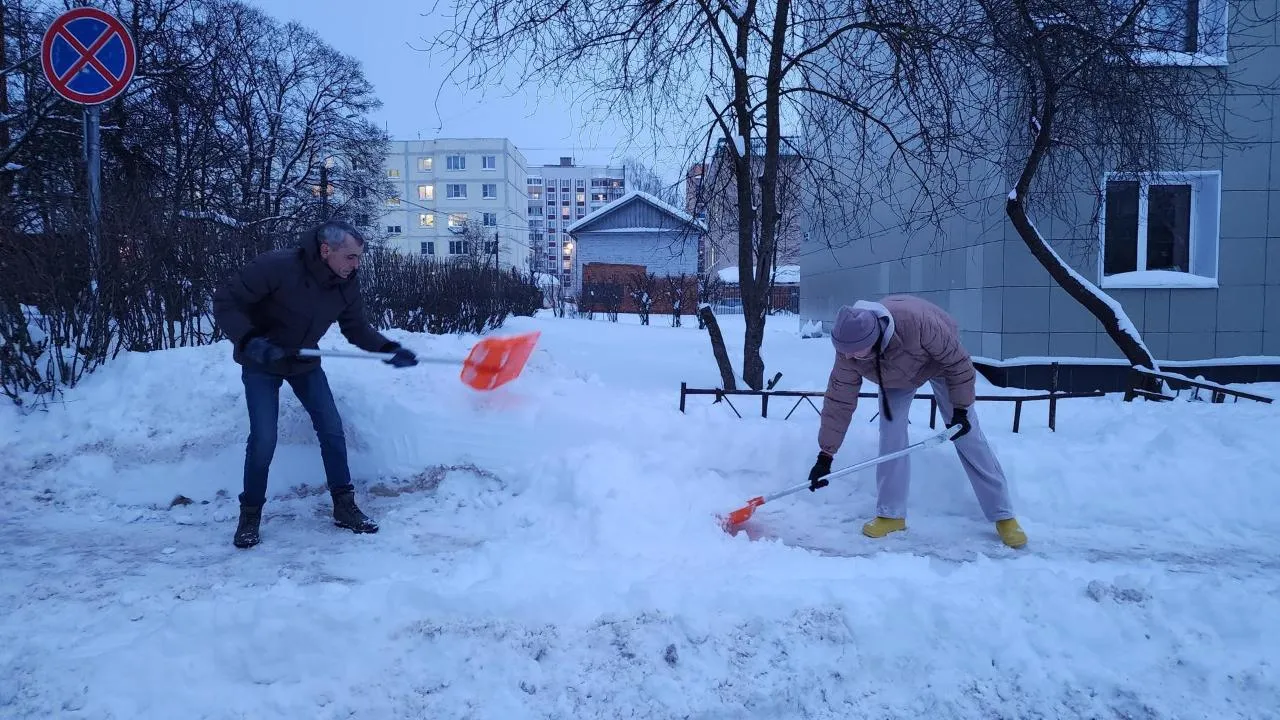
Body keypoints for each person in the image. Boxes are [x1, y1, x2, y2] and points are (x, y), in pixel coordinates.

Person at [212, 220, 419, 549]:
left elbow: (356, 327)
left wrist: (388, 348)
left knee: (332, 428)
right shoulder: (276, 266)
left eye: (359, 257)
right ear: (326, 250)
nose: (356, 264)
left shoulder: (345, 282)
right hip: (261, 360)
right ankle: (250, 515)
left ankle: (344, 506)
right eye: (350, 257)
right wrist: (250, 341)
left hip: (303, 360)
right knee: (264, 438)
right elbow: (226, 302)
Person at [809, 295, 1027, 548]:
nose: (850, 357)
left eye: (856, 352)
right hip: (894, 376)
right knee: (890, 432)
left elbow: (958, 364)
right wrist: (826, 454)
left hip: (941, 364)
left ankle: (1003, 514)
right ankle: (891, 514)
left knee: (966, 433)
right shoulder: (848, 349)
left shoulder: (919, 324)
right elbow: (839, 400)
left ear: (873, 339)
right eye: (845, 352)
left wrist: (960, 409)